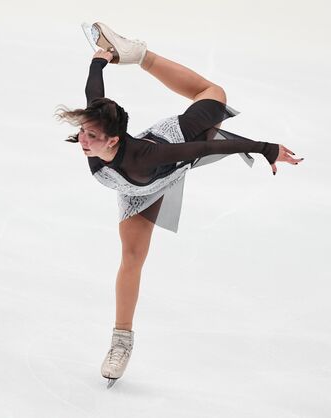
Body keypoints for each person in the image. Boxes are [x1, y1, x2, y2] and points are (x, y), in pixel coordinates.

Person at [55, 22, 304, 386]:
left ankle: (141, 55)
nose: (83, 140)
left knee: (213, 93)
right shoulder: (96, 126)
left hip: (174, 151)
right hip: (136, 191)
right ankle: (121, 342)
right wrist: (99, 58)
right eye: (83, 133)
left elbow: (205, 148)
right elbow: (94, 92)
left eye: (91, 136)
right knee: (132, 259)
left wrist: (264, 148)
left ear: (112, 140)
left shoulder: (147, 155)